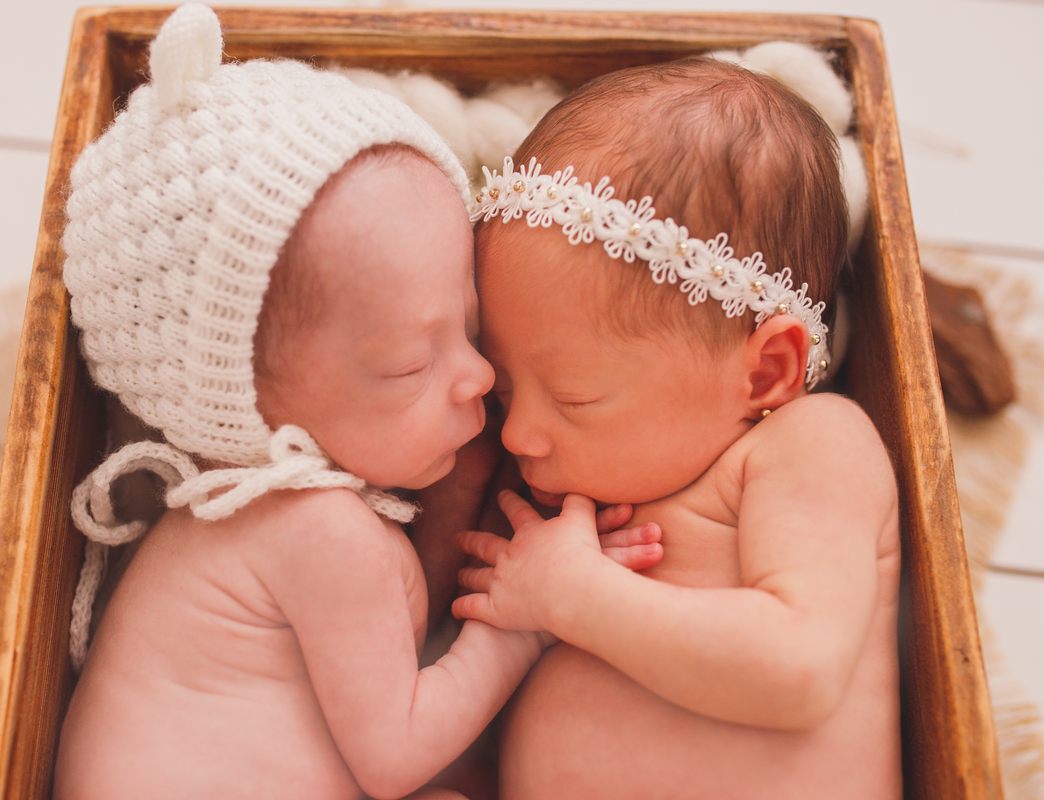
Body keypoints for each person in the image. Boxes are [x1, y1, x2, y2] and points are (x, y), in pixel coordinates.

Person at [52, 6, 659, 800]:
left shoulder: (257, 522)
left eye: (471, 324)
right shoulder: (320, 530)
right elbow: (397, 753)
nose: (479, 375)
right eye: (410, 367)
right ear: (251, 408)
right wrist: (531, 623)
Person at [455, 57, 902, 800]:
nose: (517, 433)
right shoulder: (573, 504)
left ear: (764, 373)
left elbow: (801, 669)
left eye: (574, 398)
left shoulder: (810, 444)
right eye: (503, 391)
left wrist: (573, 595)